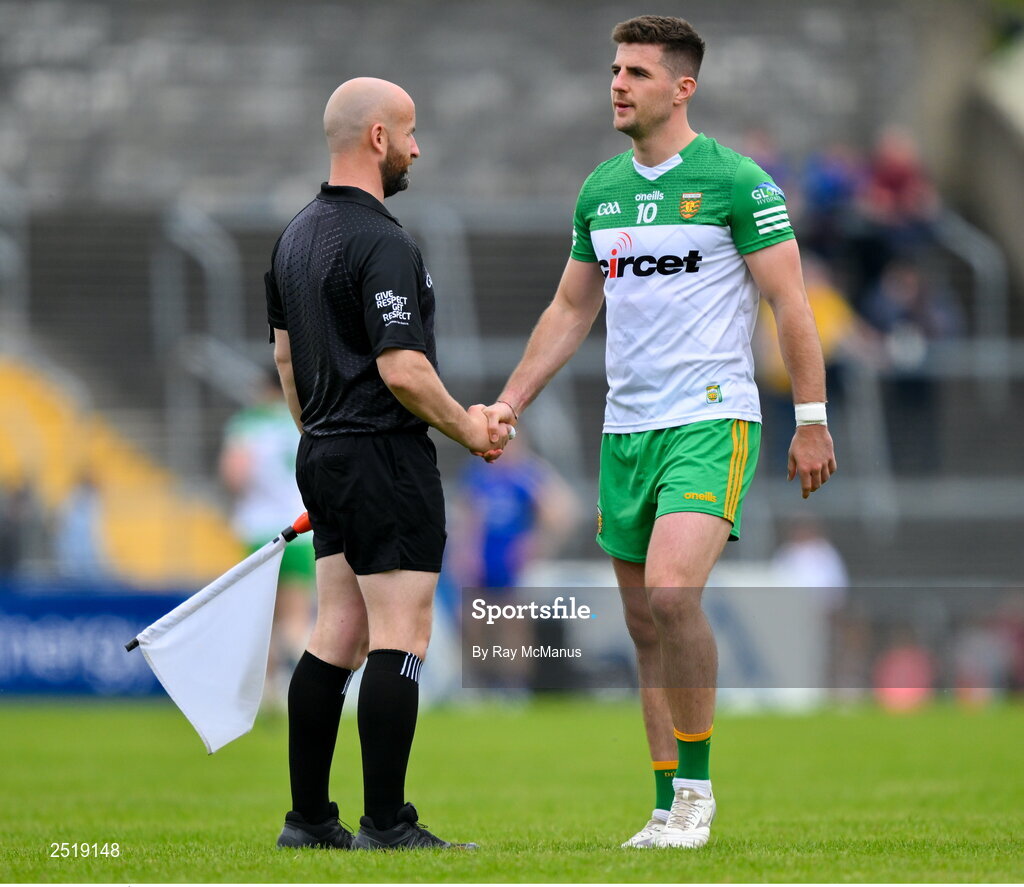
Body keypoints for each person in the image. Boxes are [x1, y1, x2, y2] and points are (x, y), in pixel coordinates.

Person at [481, 15, 836, 849]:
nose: (617, 83)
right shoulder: (601, 190)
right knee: (644, 623)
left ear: (683, 88)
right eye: (615, 69)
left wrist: (812, 420)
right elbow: (571, 307)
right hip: (626, 428)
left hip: (712, 419)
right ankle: (663, 803)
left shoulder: (737, 182)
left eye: (637, 72)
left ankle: (699, 796)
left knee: (675, 595)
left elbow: (792, 304)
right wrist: (510, 402)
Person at [265, 77, 508, 851]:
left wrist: (321, 439)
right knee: (398, 635)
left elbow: (285, 360)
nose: (416, 147)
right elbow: (403, 370)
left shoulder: (293, 236)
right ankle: (387, 824)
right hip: (382, 453)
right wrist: (470, 429)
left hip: (324, 449)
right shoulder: (384, 241)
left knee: (333, 629)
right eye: (408, 131)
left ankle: (308, 820)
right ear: (377, 137)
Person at [219, 370, 315, 706]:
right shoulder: (301, 420)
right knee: (297, 616)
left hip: (258, 531)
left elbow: (235, 475)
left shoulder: (247, 424)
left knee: (263, 619)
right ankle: (305, 687)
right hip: (300, 529)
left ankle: (268, 691)